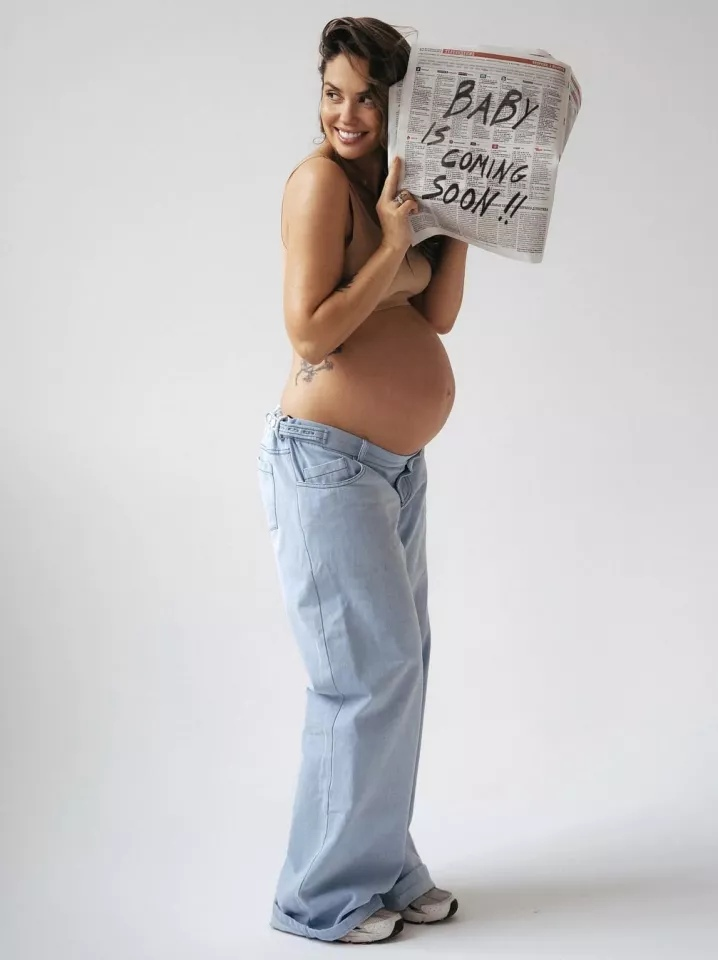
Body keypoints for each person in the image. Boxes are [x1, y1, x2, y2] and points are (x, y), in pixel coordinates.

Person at [258, 16, 467, 944]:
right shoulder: (319, 186)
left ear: (399, 105)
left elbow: (441, 314)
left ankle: (381, 864)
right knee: (362, 676)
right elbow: (310, 331)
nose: (345, 115)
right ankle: (320, 899)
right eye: (332, 93)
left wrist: (455, 219)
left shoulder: (395, 186)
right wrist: (389, 245)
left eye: (367, 99)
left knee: (400, 669)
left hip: (391, 469)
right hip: (325, 462)